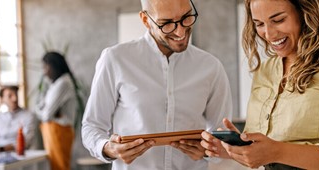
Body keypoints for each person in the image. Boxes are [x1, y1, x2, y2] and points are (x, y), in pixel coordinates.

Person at [200, 0, 319, 169]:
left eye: (278, 20)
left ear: (306, 12)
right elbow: (263, 152)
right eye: (259, 24)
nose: (269, 33)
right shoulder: (265, 71)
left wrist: (277, 151)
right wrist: (232, 148)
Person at [81, 0, 233, 169]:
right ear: (145, 20)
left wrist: (208, 151)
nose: (180, 31)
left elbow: (222, 135)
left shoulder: (211, 67)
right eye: (166, 23)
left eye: (186, 17)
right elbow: (92, 127)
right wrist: (109, 148)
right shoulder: (115, 60)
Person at [35, 51, 78, 170]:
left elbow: (45, 115)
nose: (44, 71)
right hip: (54, 130)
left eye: (45, 66)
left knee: (60, 167)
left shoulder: (63, 83)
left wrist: (41, 111)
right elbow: (42, 107)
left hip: (59, 131)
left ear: (53, 65)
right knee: (55, 166)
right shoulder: (55, 84)